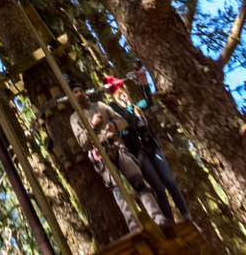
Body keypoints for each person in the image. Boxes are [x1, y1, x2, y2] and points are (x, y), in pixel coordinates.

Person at [69, 86, 174, 231]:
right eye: (75, 92)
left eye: (81, 90)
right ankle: (134, 227)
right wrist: (92, 124)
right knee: (118, 190)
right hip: (101, 155)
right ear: (71, 97)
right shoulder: (74, 118)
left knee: (138, 182)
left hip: (118, 147)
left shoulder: (100, 105)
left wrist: (113, 125)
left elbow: (122, 121)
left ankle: (158, 218)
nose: (79, 93)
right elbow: (82, 142)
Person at [105, 69, 192, 225]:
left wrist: (144, 81)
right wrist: (128, 106)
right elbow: (129, 120)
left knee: (169, 181)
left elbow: (148, 101)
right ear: (116, 97)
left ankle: (186, 215)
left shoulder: (135, 107)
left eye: (125, 93)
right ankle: (169, 220)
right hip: (139, 153)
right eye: (120, 94)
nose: (124, 96)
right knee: (158, 187)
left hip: (152, 147)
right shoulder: (116, 110)